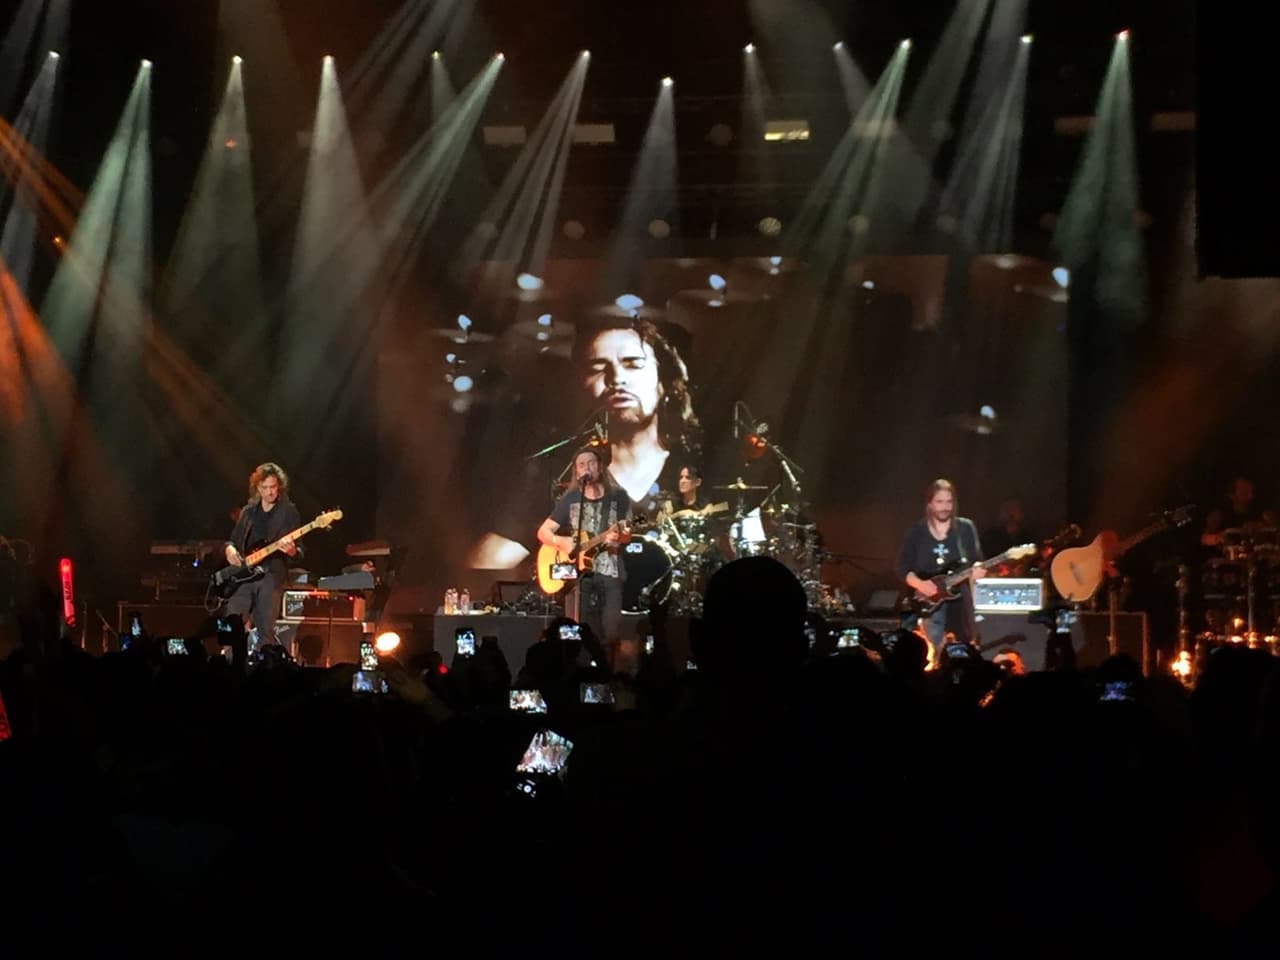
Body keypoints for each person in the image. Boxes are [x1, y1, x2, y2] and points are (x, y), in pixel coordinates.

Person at [573, 317, 701, 514]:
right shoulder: (569, 474)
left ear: (664, 381)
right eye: (597, 368)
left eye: (633, 364)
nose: (616, 378)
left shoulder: (697, 466)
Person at [536, 448, 632, 670]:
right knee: (578, 630)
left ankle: (610, 675)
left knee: (611, 630)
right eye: (581, 465)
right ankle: (578, 675)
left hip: (610, 568)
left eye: (591, 463)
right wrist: (561, 542)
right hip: (577, 575)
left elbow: (626, 532)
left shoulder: (618, 496)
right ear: (576, 471)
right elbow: (543, 533)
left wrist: (620, 537)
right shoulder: (571, 499)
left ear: (600, 467)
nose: (586, 467)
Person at [895, 479, 985, 655]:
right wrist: (921, 585)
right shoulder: (917, 531)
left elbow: (976, 561)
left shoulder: (965, 528)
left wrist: (979, 570)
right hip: (929, 604)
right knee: (933, 650)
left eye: (949, 502)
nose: (945, 507)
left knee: (963, 649)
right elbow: (901, 567)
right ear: (929, 504)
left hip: (960, 602)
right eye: (940, 501)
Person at [224, 462, 301, 652]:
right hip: (245, 575)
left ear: (279, 487)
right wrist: (230, 550)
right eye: (264, 487)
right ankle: (231, 664)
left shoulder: (289, 512)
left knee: (265, 629)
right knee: (233, 620)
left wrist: (292, 551)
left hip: (271, 576)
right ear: (257, 488)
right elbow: (232, 541)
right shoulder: (248, 512)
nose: (269, 492)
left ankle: (263, 669)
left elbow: (300, 551)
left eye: (273, 487)